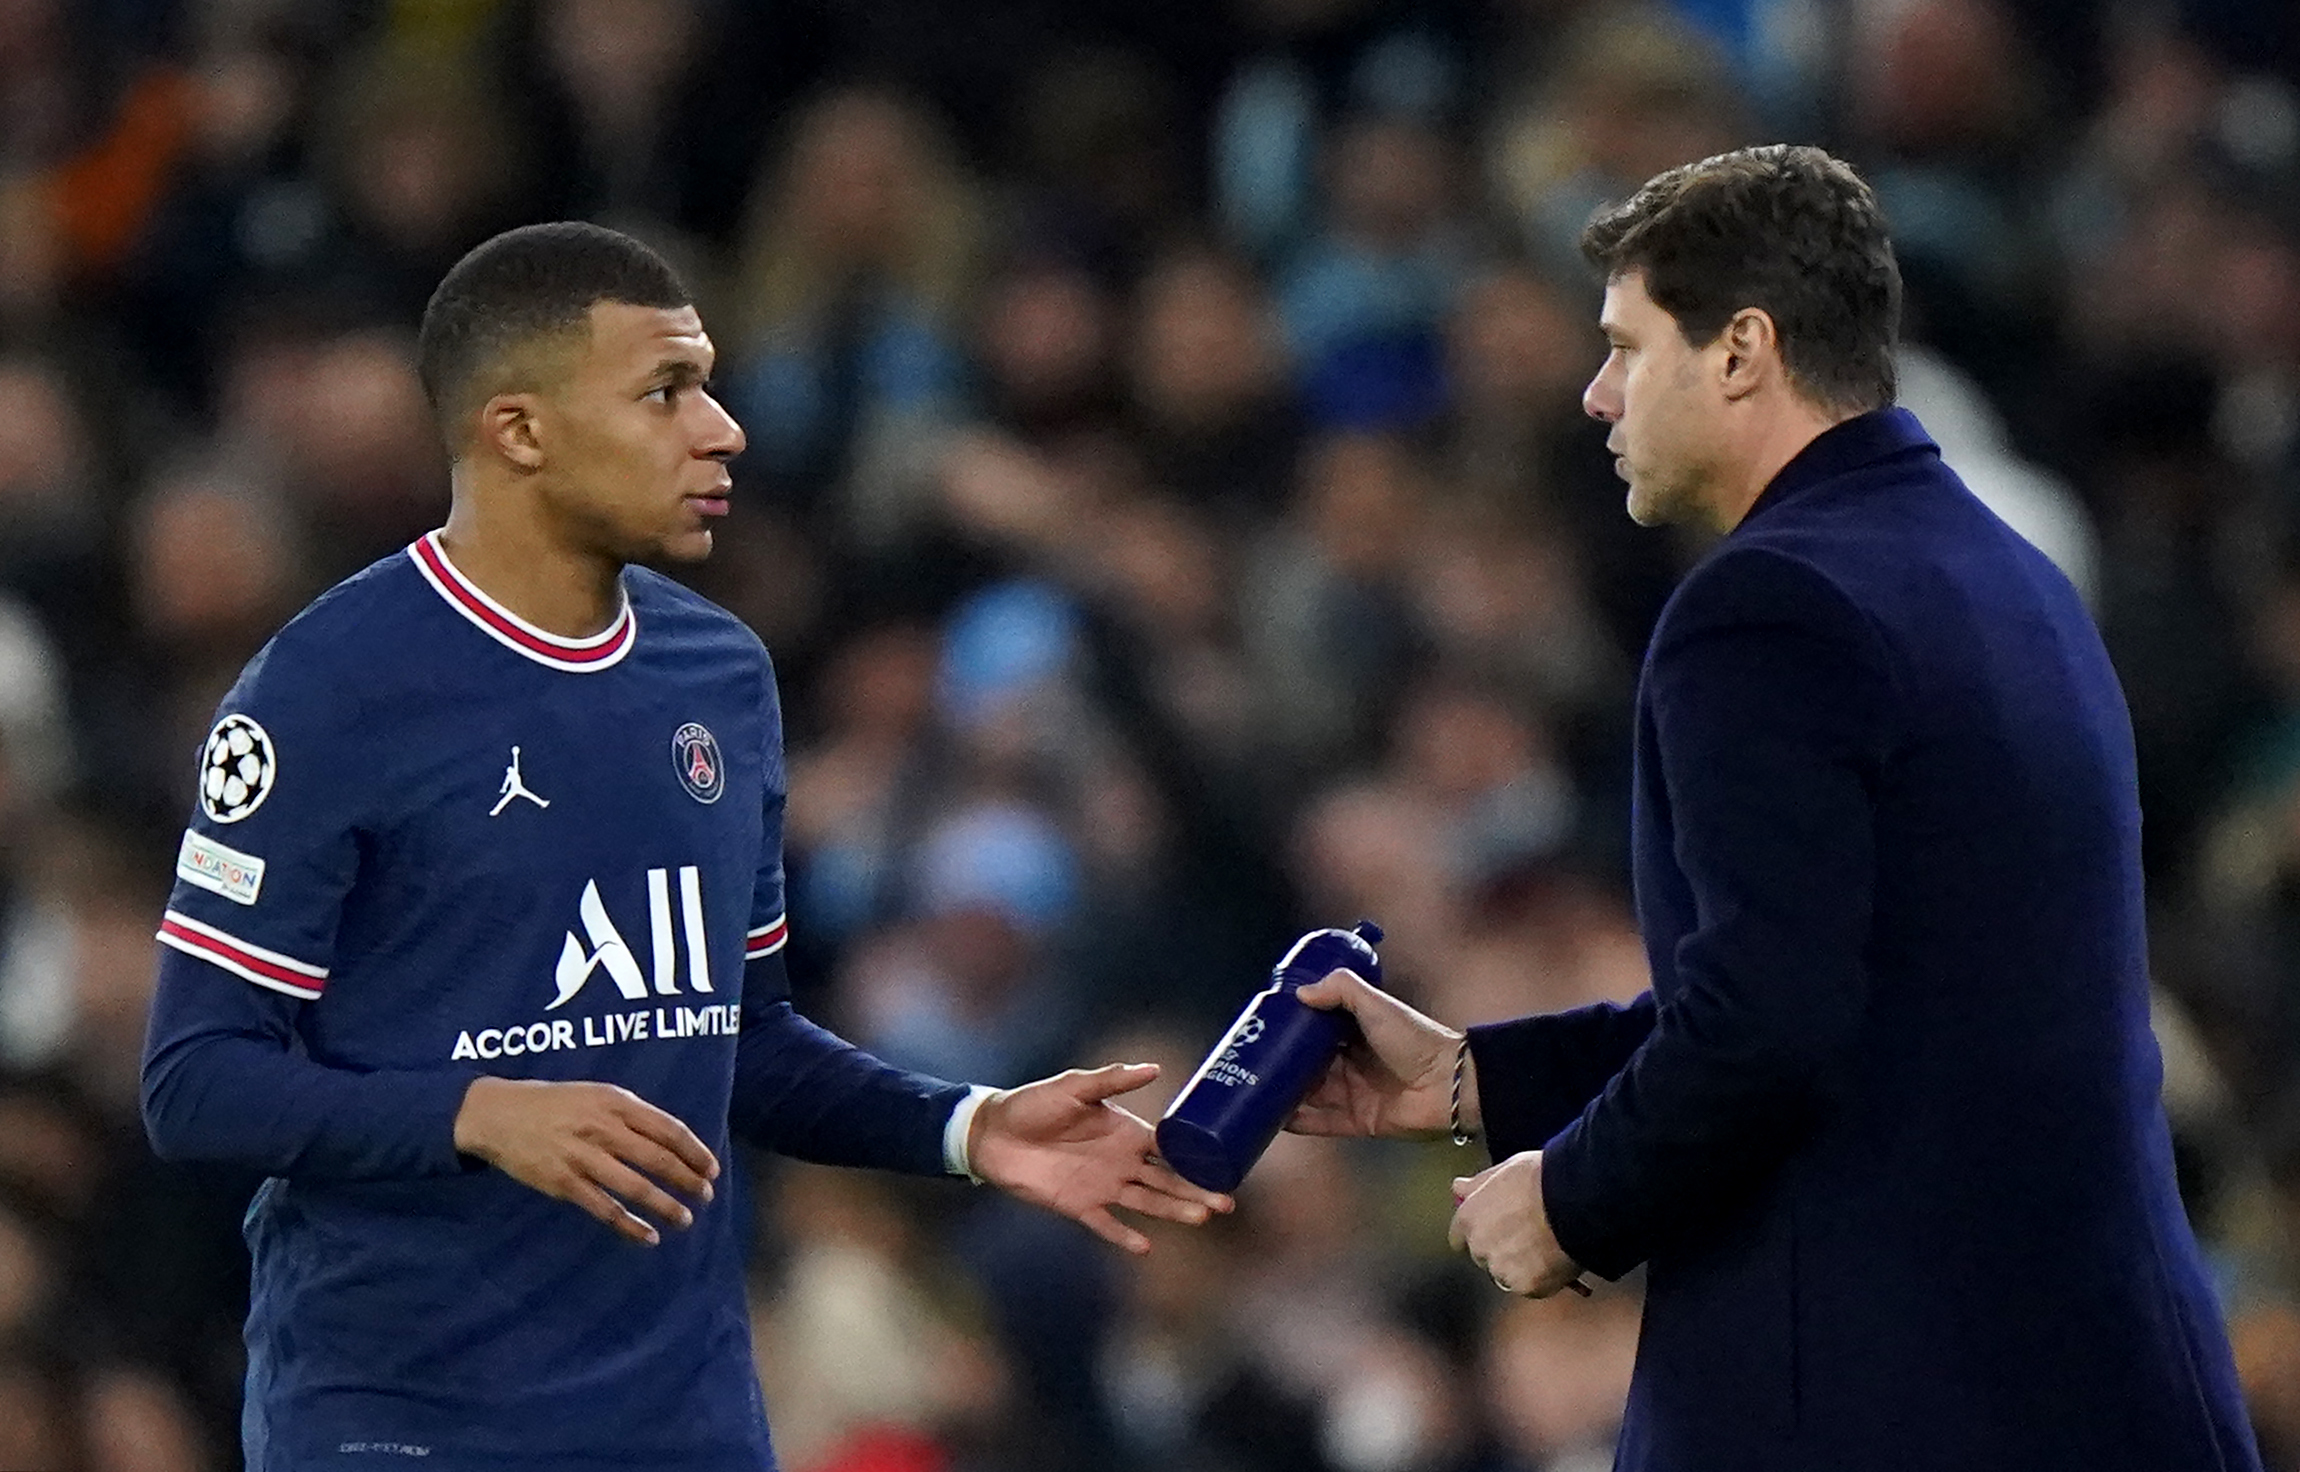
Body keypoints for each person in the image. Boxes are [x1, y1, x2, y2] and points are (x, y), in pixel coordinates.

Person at [138, 221, 1230, 1472]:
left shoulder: (718, 674)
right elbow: (196, 1078)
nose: (723, 429)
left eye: (706, 382)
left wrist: (965, 1127)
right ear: (520, 431)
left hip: (682, 1416)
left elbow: (739, 1039)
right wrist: (475, 1111)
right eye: (665, 391)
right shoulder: (324, 692)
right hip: (403, 1415)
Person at [1287, 146, 2263, 1472]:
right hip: (2105, 1380)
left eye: (1627, 349)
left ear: (1740, 350)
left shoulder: (1762, 610)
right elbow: (1885, 994)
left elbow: (1772, 1023)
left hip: (1881, 1398)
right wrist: (1481, 1078)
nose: (1596, 394)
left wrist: (1569, 1201)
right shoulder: (2009, 571)